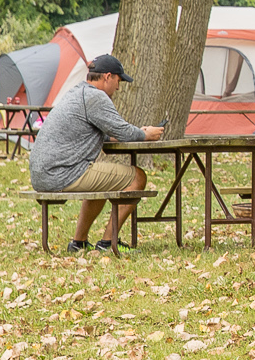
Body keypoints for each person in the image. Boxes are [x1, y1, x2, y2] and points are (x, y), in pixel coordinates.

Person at [29, 55, 163, 251]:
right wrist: (145, 134)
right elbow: (125, 132)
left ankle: (78, 243)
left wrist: (131, 133)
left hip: (44, 174)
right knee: (138, 177)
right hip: (61, 173)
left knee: (102, 177)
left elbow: (102, 133)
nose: (119, 87)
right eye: (119, 80)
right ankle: (109, 243)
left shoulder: (77, 92)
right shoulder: (96, 97)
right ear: (108, 77)